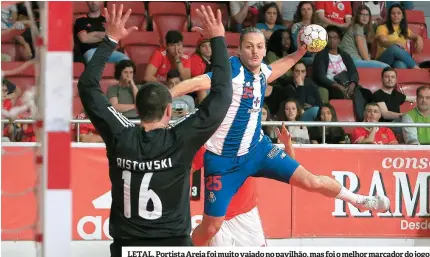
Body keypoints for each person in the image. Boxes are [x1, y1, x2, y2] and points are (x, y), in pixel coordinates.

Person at [172, 26, 391, 246]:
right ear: (239, 50)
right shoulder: (232, 70)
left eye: (259, 47)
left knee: (311, 181)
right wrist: (167, 96)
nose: (255, 52)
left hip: (257, 149)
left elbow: (274, 69)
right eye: (248, 47)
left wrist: (299, 53)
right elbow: (199, 82)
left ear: (265, 49)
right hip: (223, 160)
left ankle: (361, 200)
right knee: (211, 226)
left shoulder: (261, 72)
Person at [77, 4, 232, 255]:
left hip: (126, 249)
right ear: (169, 111)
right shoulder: (181, 137)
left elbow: (87, 86)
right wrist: (218, 38)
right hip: (174, 247)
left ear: (138, 108)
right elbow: (223, 96)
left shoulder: (120, 134)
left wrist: (111, 39)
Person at [206, 124, 297, 246]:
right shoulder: (210, 144)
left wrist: (287, 144)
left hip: (247, 215)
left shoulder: (253, 144)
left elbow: (289, 165)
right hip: (218, 218)